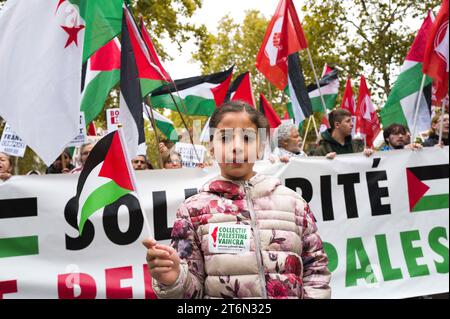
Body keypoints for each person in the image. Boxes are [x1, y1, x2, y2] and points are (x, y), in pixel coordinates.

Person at [143, 101, 331, 299]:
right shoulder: (192, 211)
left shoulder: (294, 204)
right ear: (212, 147)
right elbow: (192, 292)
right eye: (225, 138)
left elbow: (316, 270)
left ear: (260, 146)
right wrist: (174, 280)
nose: (237, 147)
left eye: (247, 138)